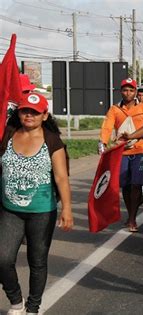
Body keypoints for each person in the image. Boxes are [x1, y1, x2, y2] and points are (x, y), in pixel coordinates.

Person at [0, 92, 73, 315]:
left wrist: (67, 209)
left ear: (44, 115)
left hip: (41, 211)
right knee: (2, 259)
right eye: (25, 111)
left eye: (34, 111)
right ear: (19, 113)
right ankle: (16, 301)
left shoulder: (52, 141)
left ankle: (33, 308)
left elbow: (61, 177)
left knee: (37, 261)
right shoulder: (8, 134)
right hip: (9, 210)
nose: (29, 115)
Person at [99, 78, 143, 232]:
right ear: (121, 91)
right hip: (121, 152)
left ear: (135, 92)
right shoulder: (114, 109)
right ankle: (131, 214)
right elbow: (107, 127)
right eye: (125, 90)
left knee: (136, 184)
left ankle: (132, 218)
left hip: (139, 151)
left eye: (131, 90)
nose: (128, 93)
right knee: (126, 186)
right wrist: (102, 143)